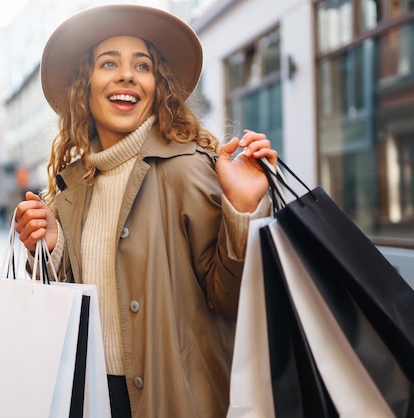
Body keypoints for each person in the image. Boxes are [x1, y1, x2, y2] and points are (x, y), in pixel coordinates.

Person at [14, 4, 277, 417]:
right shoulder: (70, 187)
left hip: (176, 401)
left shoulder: (189, 168)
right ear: (85, 86)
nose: (127, 75)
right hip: (90, 399)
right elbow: (66, 315)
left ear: (157, 85)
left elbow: (233, 302)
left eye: (142, 64)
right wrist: (50, 247)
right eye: (108, 63)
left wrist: (243, 210)